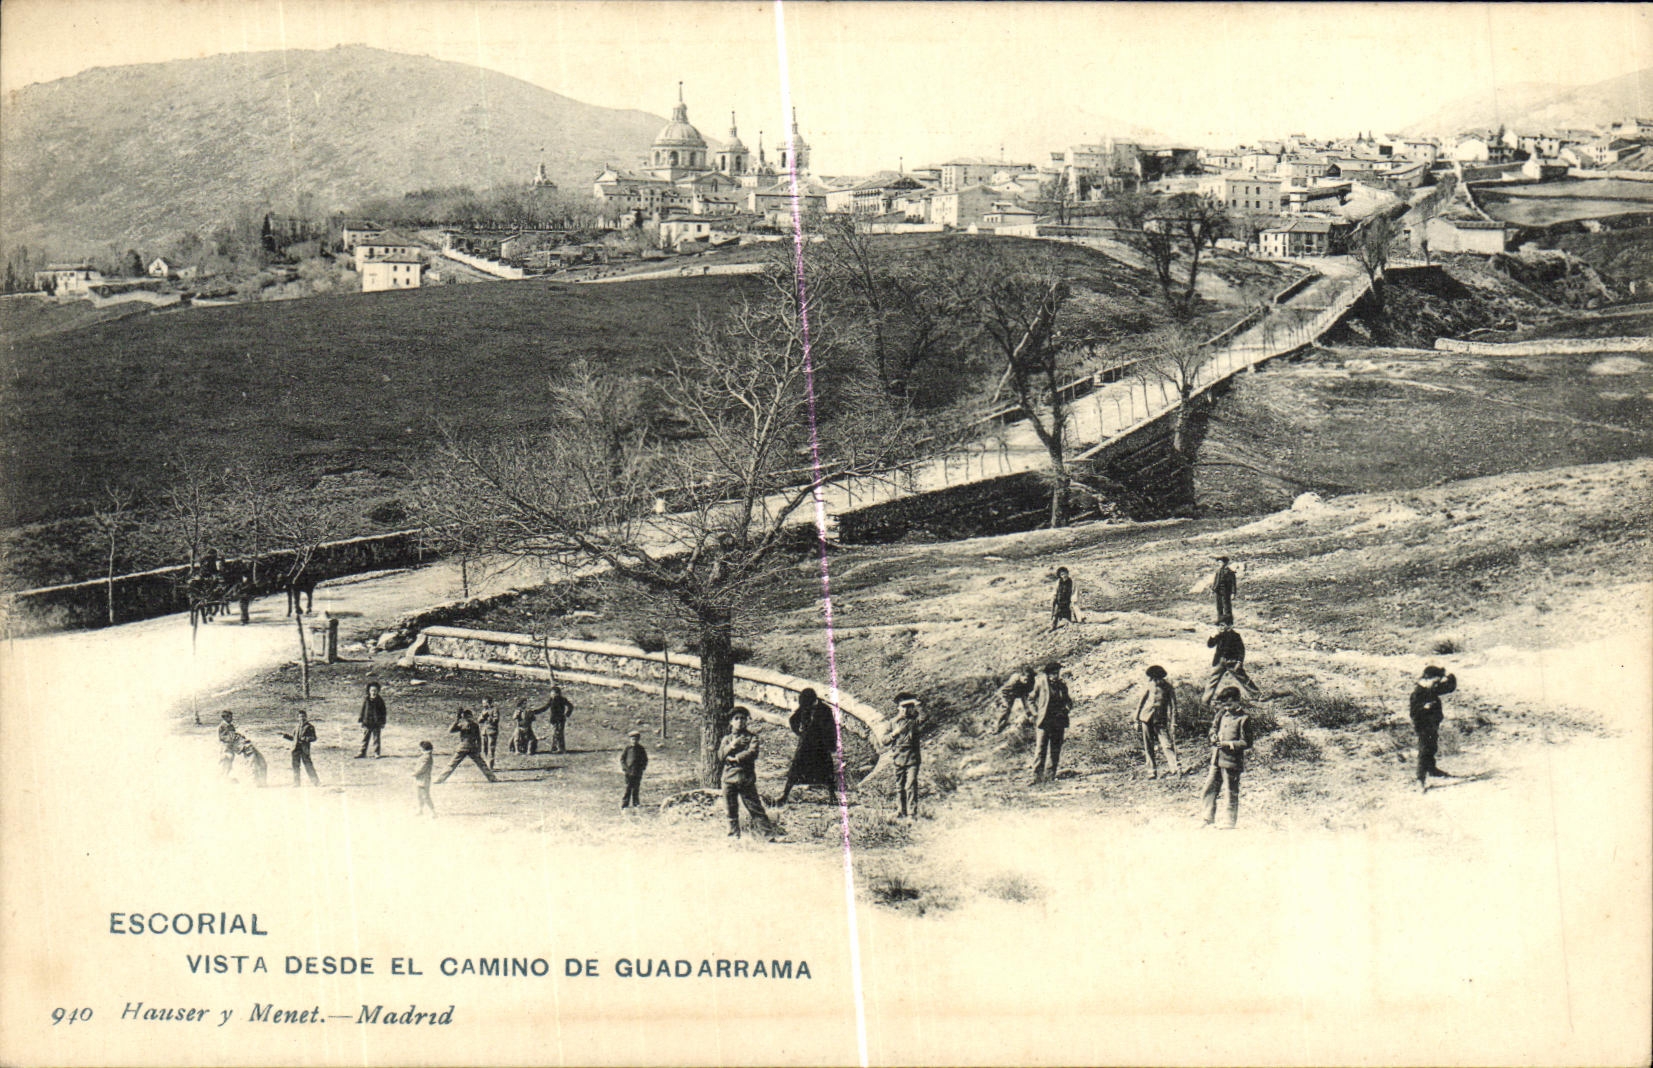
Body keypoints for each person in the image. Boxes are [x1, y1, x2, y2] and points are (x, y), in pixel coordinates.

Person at [717, 707, 774, 839]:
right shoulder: (727, 739)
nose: (740, 721)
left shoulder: (751, 738)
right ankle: (733, 835)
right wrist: (732, 746)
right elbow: (720, 755)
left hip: (745, 778)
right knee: (730, 809)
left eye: (743, 718)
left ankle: (768, 835)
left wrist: (735, 758)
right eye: (736, 718)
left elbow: (752, 752)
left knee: (755, 808)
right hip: (728, 779)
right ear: (731, 721)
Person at [1201, 687, 1254, 829]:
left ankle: (1229, 821)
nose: (1227, 708)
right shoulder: (1221, 714)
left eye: (1230, 705)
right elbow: (1213, 728)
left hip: (1231, 761)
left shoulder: (1244, 719)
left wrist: (1227, 744)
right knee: (1210, 788)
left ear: (1237, 701)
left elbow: (1246, 742)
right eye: (1224, 705)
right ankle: (1207, 818)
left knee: (1230, 791)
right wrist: (1212, 736)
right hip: (1216, 760)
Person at [779, 688, 840, 805]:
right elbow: (793, 720)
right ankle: (784, 796)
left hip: (821, 746)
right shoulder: (804, 706)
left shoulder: (825, 710)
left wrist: (831, 745)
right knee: (795, 769)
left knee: (827, 771)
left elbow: (832, 729)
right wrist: (799, 732)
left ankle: (832, 797)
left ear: (814, 700)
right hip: (806, 745)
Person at [1409, 665, 1459, 791]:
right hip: (1423, 726)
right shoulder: (1417, 693)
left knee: (1432, 747)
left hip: (1432, 724)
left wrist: (1448, 675)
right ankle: (1420, 779)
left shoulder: (1432, 688)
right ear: (1426, 679)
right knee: (1424, 751)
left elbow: (1450, 687)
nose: (1436, 684)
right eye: (1435, 681)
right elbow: (1413, 713)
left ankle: (1432, 770)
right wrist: (1423, 708)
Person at [1136, 665, 1183, 779]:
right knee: (1148, 745)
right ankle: (1151, 771)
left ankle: (1175, 768)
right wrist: (1136, 720)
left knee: (1167, 744)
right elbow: (1140, 703)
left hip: (1160, 720)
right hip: (1146, 718)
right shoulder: (1149, 686)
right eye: (1152, 678)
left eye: (1156, 678)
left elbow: (1173, 707)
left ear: (1161, 677)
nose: (1154, 681)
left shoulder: (1168, 688)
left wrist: (1173, 722)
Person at [1030, 661, 1073, 784]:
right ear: (1048, 674)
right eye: (1054, 673)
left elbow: (1069, 701)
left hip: (1058, 721)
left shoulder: (1062, 685)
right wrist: (1035, 714)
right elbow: (1030, 699)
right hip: (1044, 721)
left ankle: (1050, 777)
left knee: (1055, 749)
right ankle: (1037, 778)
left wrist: (1066, 709)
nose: (1056, 675)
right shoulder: (1040, 683)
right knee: (1040, 749)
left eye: (1057, 673)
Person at [1203, 625, 1261, 706]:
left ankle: (1256, 694)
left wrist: (1239, 662)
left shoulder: (1235, 636)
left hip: (1232, 661)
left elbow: (1241, 650)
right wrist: (1213, 636)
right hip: (1220, 661)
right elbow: (1210, 645)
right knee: (1213, 680)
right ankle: (1205, 701)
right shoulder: (1218, 635)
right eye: (1220, 625)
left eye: (1224, 625)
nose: (1221, 627)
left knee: (1243, 678)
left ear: (1229, 626)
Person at [437, 708, 499, 784]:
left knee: (452, 764)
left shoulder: (462, 724)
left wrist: (457, 720)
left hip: (463, 747)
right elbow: (478, 738)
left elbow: (450, 730)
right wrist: (479, 748)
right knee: (482, 764)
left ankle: (440, 779)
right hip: (472, 747)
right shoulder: (475, 725)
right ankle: (492, 778)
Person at [887, 693, 924, 818]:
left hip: (912, 758)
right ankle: (900, 811)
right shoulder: (893, 723)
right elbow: (883, 740)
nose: (905, 710)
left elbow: (925, 716)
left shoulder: (915, 721)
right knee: (900, 787)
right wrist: (893, 734)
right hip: (898, 758)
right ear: (898, 708)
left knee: (910, 785)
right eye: (902, 707)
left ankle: (912, 813)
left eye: (908, 707)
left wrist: (918, 705)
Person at [993, 665, 1038, 733]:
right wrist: (1005, 702)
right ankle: (997, 727)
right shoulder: (1014, 680)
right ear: (1021, 676)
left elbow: (1029, 696)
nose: (1026, 681)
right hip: (1010, 693)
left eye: (1028, 679)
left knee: (1029, 706)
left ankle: (1033, 722)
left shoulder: (1031, 680)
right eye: (1025, 679)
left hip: (1023, 692)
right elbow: (1003, 691)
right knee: (1005, 709)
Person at [282, 709, 321, 787]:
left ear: (306, 717)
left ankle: (316, 782)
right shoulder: (296, 727)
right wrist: (285, 736)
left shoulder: (310, 727)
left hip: (304, 749)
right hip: (295, 749)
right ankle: (296, 783)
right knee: (295, 766)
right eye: (300, 717)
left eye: (303, 716)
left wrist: (305, 739)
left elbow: (314, 738)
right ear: (298, 718)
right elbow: (294, 738)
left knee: (308, 765)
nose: (301, 718)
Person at [356, 682, 387, 759]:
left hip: (376, 723)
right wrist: (361, 719)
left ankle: (376, 753)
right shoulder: (366, 700)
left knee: (376, 739)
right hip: (367, 722)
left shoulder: (380, 701)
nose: (373, 692)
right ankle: (362, 752)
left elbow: (383, 712)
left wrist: (383, 722)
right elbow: (363, 710)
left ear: (378, 691)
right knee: (365, 738)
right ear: (369, 691)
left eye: (375, 690)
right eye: (372, 690)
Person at [620, 729, 649, 810]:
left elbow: (645, 759)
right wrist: (625, 768)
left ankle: (635, 803)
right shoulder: (627, 748)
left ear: (638, 740)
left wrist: (642, 768)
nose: (634, 741)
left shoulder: (641, 749)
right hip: (629, 772)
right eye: (632, 739)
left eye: (636, 739)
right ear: (630, 740)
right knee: (628, 787)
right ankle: (625, 803)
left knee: (636, 788)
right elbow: (622, 759)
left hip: (637, 771)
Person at [541, 686, 573, 754]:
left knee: (559, 733)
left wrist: (567, 714)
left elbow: (570, 706)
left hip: (561, 719)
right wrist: (535, 711)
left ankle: (561, 748)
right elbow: (545, 707)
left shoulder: (563, 699)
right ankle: (555, 748)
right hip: (554, 719)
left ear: (558, 694)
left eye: (553, 694)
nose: (552, 695)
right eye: (551, 694)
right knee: (555, 733)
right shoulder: (551, 700)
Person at [1050, 567, 1079, 631]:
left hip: (1067, 600)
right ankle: (1053, 626)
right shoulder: (1058, 582)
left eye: (1065, 574)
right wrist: (1054, 597)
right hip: (1059, 600)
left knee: (1068, 613)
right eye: (1062, 574)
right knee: (1056, 613)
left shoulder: (1072, 582)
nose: (1064, 576)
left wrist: (1073, 599)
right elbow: (1055, 590)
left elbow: (1074, 591)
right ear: (1060, 575)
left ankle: (1071, 625)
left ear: (1067, 573)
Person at [413, 740, 436, 817]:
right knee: (419, 795)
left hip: (423, 779)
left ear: (423, 748)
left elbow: (422, 768)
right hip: (421, 779)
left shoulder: (426, 757)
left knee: (425, 796)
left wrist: (415, 773)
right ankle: (420, 810)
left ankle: (433, 812)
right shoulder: (426, 756)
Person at [1213, 556, 1238, 627]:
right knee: (1219, 606)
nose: (1219, 564)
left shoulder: (1229, 572)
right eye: (1219, 562)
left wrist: (1233, 593)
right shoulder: (1218, 571)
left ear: (1225, 563)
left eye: (1221, 562)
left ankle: (1229, 622)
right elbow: (1215, 582)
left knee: (1226, 606)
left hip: (1226, 592)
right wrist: (1213, 590)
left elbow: (1233, 583)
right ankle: (1220, 620)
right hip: (1218, 592)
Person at [477, 699, 500, 769]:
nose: (483, 704)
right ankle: (486, 763)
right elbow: (479, 720)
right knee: (485, 748)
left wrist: (490, 718)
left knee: (491, 748)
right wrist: (483, 717)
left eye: (484, 703)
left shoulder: (495, 709)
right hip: (485, 731)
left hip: (492, 731)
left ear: (488, 703)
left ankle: (490, 765)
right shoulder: (484, 710)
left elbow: (496, 719)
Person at [217, 710, 241, 778]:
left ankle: (226, 775)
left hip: (231, 746)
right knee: (225, 760)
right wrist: (230, 738)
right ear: (225, 718)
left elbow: (233, 733)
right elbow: (221, 737)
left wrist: (236, 736)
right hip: (225, 746)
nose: (231, 719)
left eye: (231, 717)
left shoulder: (231, 726)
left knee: (230, 760)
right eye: (230, 717)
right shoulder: (222, 726)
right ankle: (222, 776)